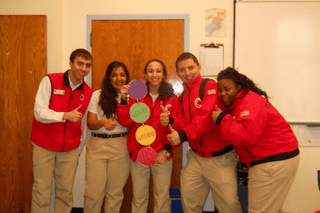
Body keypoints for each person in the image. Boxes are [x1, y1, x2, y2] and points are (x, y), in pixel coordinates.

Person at [211, 67, 300, 213]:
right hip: (275, 159)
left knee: (259, 210)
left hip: (273, 162)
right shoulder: (239, 103)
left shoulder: (249, 103)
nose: (223, 94)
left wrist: (222, 119)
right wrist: (247, 161)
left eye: (227, 89)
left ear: (239, 87)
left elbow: (247, 136)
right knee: (272, 209)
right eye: (220, 90)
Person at [163, 52, 242, 213]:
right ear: (178, 73)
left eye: (191, 68)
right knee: (189, 204)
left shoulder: (210, 86)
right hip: (196, 158)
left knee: (229, 207)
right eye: (182, 70)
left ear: (199, 67)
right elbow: (186, 121)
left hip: (220, 159)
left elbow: (206, 118)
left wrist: (182, 135)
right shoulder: (184, 94)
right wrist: (171, 121)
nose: (187, 73)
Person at [30, 48, 93, 213]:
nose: (83, 68)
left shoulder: (88, 92)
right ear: (71, 63)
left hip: (70, 150)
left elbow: (85, 124)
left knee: (65, 193)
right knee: (41, 191)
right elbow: (39, 112)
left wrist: (79, 148)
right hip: (44, 146)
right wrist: (64, 115)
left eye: (87, 65)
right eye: (80, 63)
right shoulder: (50, 80)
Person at [117, 59, 181, 213]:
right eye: (151, 71)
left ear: (164, 74)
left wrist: (166, 152)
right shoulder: (136, 95)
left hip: (162, 155)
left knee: (162, 197)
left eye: (158, 71)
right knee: (139, 198)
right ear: (145, 74)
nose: (154, 74)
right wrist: (123, 99)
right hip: (139, 154)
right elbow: (125, 121)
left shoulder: (171, 98)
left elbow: (177, 129)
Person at [83, 61, 131, 213]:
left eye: (122, 75)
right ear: (108, 78)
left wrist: (125, 100)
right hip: (97, 146)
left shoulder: (132, 97)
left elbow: (136, 122)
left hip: (121, 146)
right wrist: (102, 122)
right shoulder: (97, 95)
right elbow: (90, 124)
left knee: (115, 193)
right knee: (93, 193)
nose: (119, 78)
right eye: (114, 75)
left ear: (127, 77)